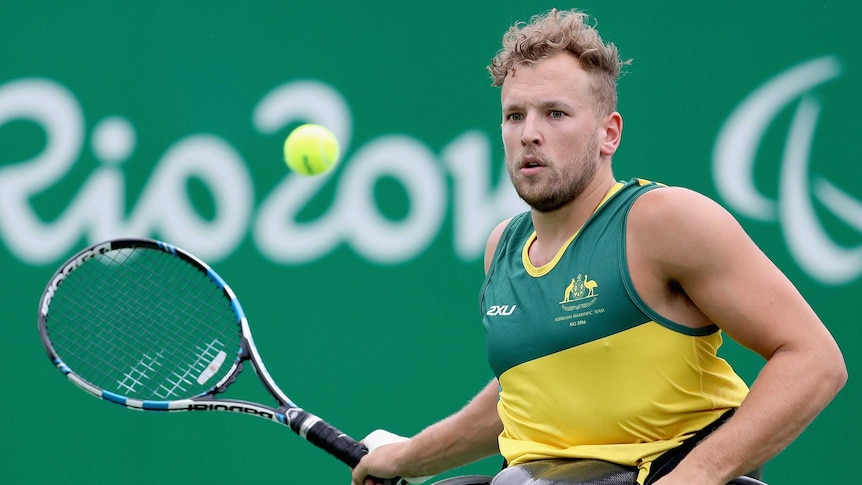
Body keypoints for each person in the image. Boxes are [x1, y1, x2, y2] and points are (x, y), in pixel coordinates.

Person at [351, 8, 847, 485]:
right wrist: (410, 456)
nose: (529, 134)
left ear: (608, 133)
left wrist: (695, 477)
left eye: (555, 114)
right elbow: (525, 397)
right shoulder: (502, 248)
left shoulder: (662, 221)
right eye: (514, 116)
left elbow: (814, 360)